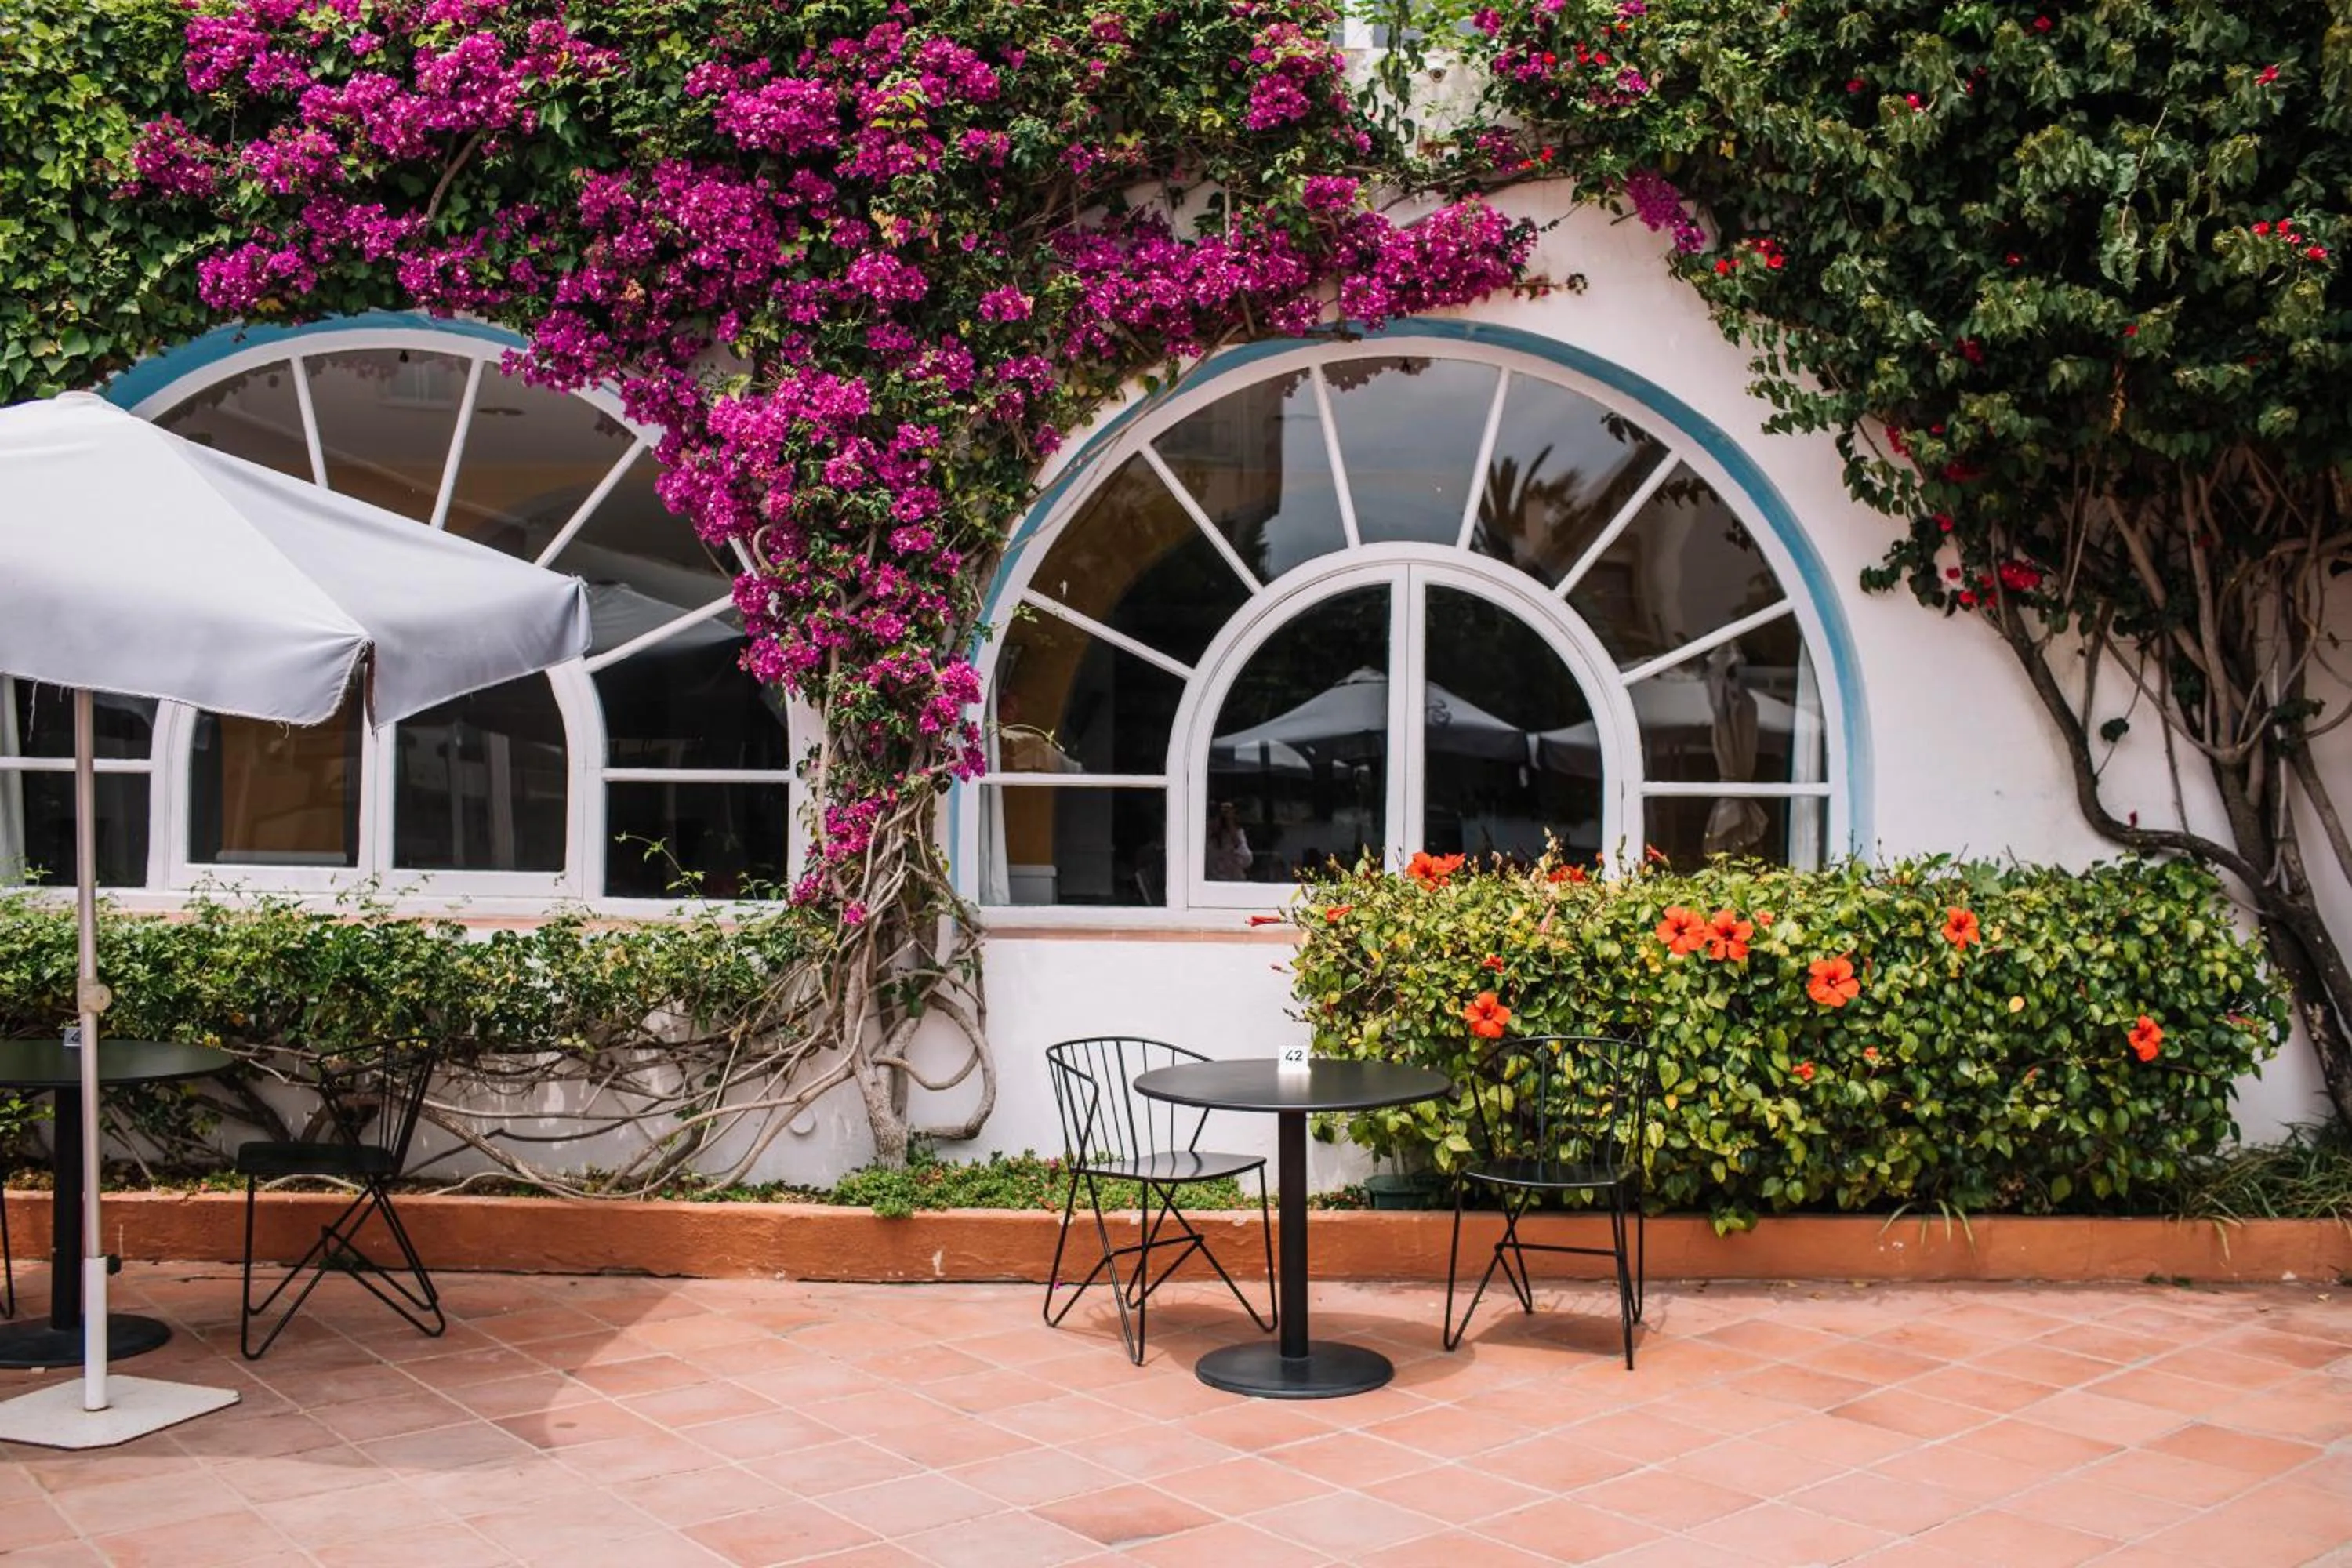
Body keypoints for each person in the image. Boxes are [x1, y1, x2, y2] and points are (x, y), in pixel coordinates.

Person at [1206, 800, 1254, 880]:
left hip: (1234, 883)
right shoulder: (1203, 838)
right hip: (1212, 883)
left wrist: (1230, 824)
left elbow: (1247, 861)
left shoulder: (1236, 834)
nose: (1214, 822)